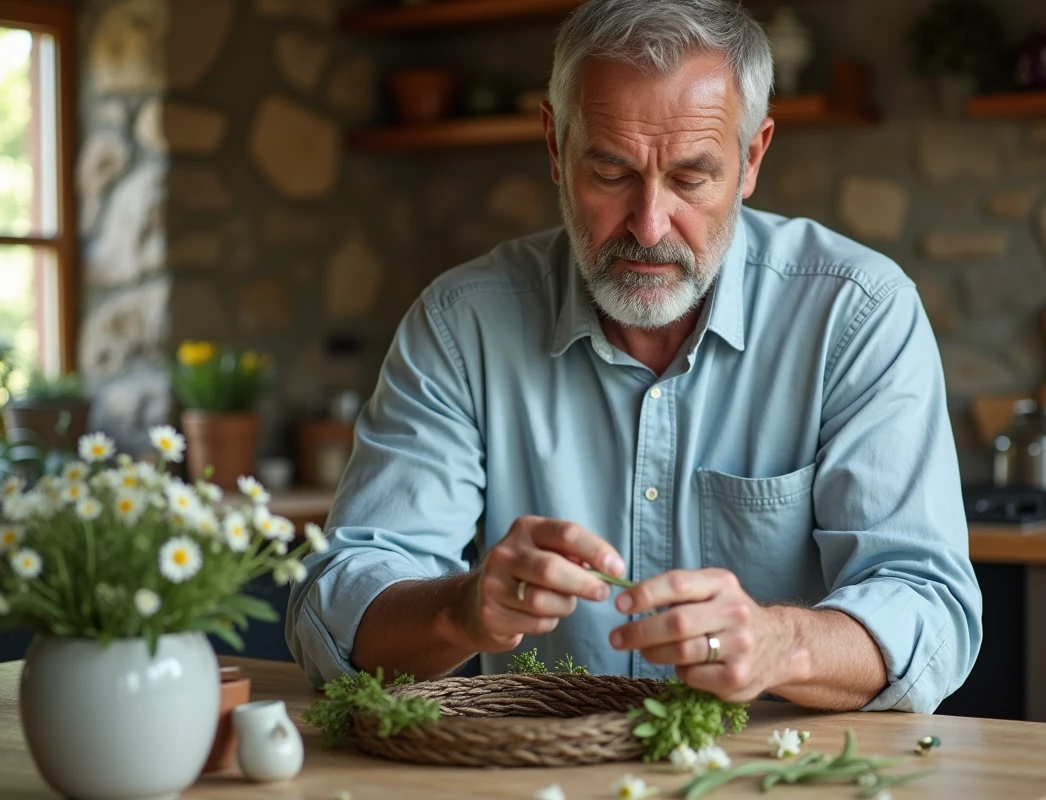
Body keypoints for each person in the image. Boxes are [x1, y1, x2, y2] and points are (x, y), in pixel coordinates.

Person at [287, 0, 982, 713]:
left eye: (690, 178)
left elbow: (928, 608)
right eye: (612, 173)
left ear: (751, 158)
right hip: (539, 766)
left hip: (777, 767)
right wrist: (460, 610)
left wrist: (780, 643)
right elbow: (334, 611)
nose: (649, 227)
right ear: (555, 147)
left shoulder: (855, 314)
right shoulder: (463, 324)